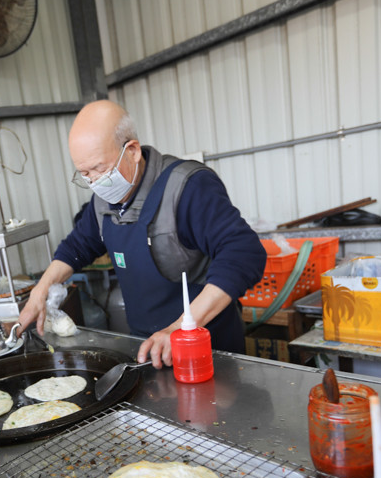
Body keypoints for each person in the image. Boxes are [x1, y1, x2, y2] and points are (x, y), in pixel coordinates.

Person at [19, 100, 266, 366]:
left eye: (101, 169)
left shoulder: (187, 187)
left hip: (209, 349)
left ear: (133, 150)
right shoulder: (102, 202)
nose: (95, 182)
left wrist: (182, 328)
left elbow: (243, 252)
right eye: (85, 174)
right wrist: (39, 292)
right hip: (147, 349)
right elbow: (76, 247)